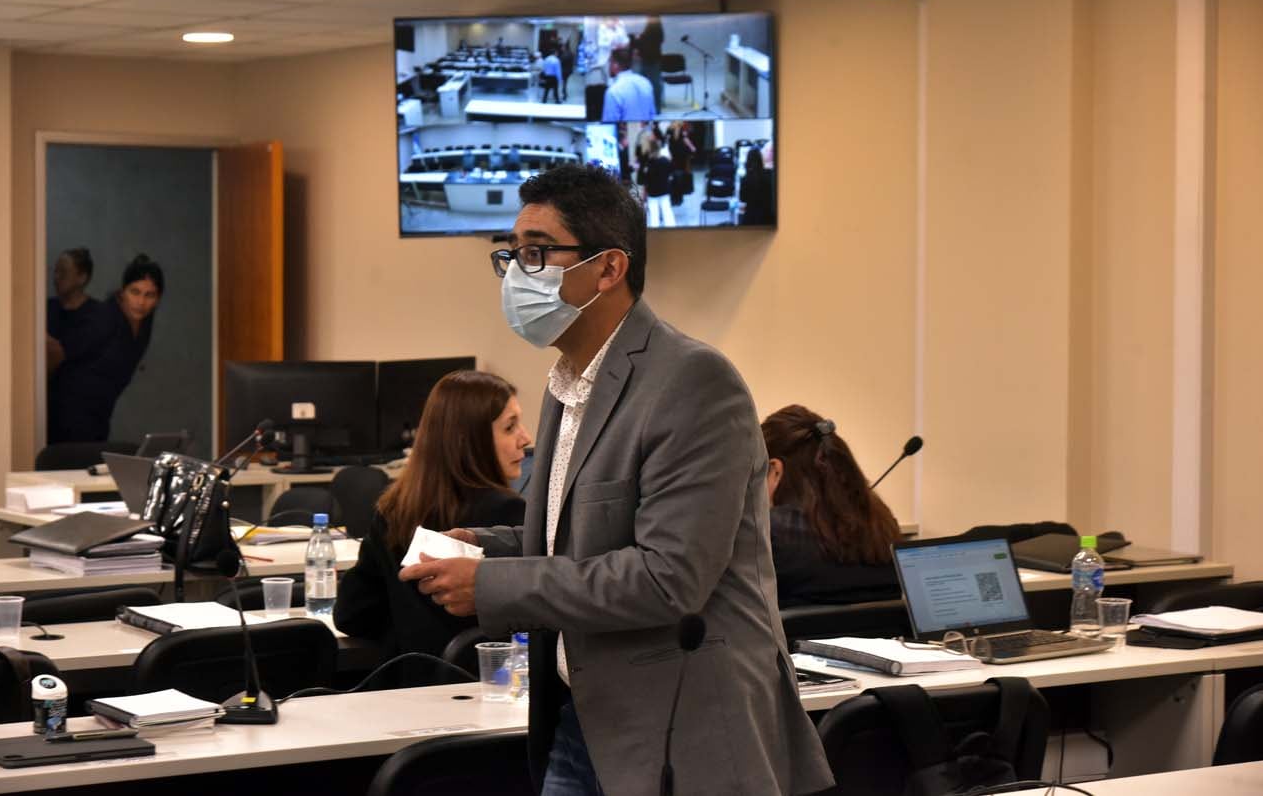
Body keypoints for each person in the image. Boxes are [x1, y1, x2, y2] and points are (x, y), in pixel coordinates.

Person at [400, 164, 832, 796]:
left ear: (609, 269)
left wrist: (492, 583)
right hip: (581, 717)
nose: (520, 272)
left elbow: (667, 577)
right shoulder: (566, 384)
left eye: (539, 253)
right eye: (513, 254)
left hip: (681, 729)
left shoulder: (692, 381)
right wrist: (488, 544)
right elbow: (585, 537)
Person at [334, 371, 529, 663]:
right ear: (470, 440)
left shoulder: (393, 511)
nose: (525, 438)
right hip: (488, 688)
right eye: (510, 427)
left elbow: (352, 615)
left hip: (409, 688)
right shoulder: (510, 515)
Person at [761, 405, 903, 607]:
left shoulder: (769, 533)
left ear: (775, 470)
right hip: (888, 639)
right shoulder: (883, 525)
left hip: (799, 639)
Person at [47, 254, 164, 443]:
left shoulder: (144, 323)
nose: (141, 302)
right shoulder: (104, 317)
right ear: (123, 291)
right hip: (68, 413)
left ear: (158, 298)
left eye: (149, 295)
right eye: (135, 292)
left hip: (99, 414)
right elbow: (59, 352)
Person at [46, 247, 101, 376]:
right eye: (55, 271)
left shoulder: (96, 314)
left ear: (82, 277)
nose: (56, 277)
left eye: (63, 272)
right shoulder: (47, 307)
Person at [600, 47, 655, 123]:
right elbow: (652, 115)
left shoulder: (613, 91)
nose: (608, 66)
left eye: (609, 62)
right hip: (644, 133)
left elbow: (609, 124)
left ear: (615, 65)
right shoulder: (646, 82)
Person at [633, 16, 665, 114]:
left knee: (646, 86)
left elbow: (643, 43)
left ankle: (644, 108)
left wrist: (638, 38)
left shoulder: (651, 31)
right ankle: (656, 109)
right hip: (653, 61)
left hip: (648, 61)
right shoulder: (658, 31)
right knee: (655, 86)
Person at [642, 139, 676, 228]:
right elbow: (671, 173)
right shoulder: (665, 161)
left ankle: (654, 236)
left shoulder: (648, 164)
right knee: (667, 213)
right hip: (665, 190)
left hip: (652, 193)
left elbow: (646, 181)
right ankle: (672, 234)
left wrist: (644, 194)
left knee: (653, 216)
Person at [738, 145, 775, 225]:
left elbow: (742, 199)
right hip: (767, 216)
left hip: (751, 217)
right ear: (760, 159)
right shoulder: (769, 175)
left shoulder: (745, 179)